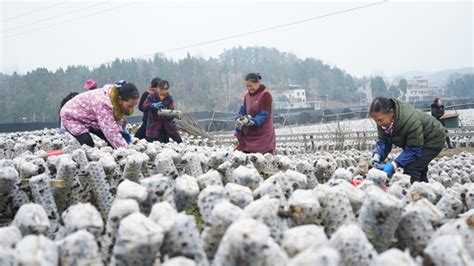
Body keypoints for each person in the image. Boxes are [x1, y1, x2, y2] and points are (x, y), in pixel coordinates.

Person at [370, 97, 446, 184]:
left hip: (433, 138)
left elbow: (414, 149)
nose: (379, 123)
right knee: (419, 167)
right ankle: (425, 190)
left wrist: (394, 164)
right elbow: (384, 141)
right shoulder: (383, 123)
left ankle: (415, 192)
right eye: (375, 121)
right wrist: (377, 155)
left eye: (380, 120)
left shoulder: (409, 120)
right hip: (418, 140)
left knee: (412, 167)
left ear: (391, 112)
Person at [60, 80, 139, 148]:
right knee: (87, 142)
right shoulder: (104, 103)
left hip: (91, 118)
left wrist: (123, 136)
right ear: (120, 99)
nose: (131, 109)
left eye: (133, 106)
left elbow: (116, 124)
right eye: (129, 106)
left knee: (115, 140)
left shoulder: (117, 102)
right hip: (71, 116)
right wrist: (127, 150)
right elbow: (110, 131)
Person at [234, 73, 276, 154]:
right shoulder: (247, 96)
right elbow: (243, 109)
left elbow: (264, 115)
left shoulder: (266, 95)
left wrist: (252, 121)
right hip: (249, 134)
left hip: (263, 135)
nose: (249, 88)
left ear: (257, 83)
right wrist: (240, 117)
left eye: (251, 85)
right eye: (247, 86)